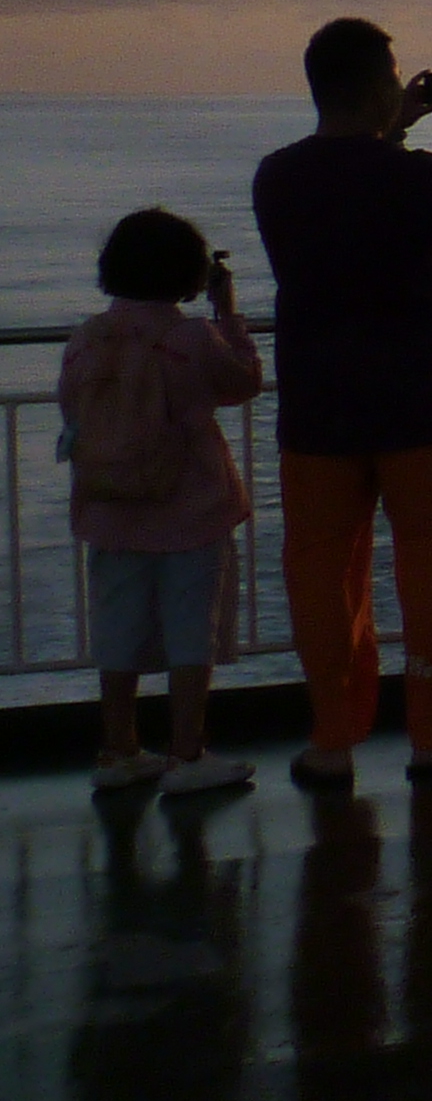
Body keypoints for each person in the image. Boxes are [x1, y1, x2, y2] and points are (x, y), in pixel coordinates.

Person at [251, 21, 432, 788]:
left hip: (317, 415)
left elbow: (350, 185)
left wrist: (393, 127)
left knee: (320, 576)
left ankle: (332, 740)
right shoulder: (419, 180)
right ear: (382, 85)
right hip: (422, 411)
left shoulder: (276, 177)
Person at [60, 208, 263, 796]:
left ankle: (118, 747)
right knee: (190, 632)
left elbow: (72, 406)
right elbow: (243, 380)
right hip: (190, 508)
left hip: (108, 508)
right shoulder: (189, 338)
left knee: (118, 630)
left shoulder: (85, 338)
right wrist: (228, 312)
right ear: (188, 272)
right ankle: (186, 753)